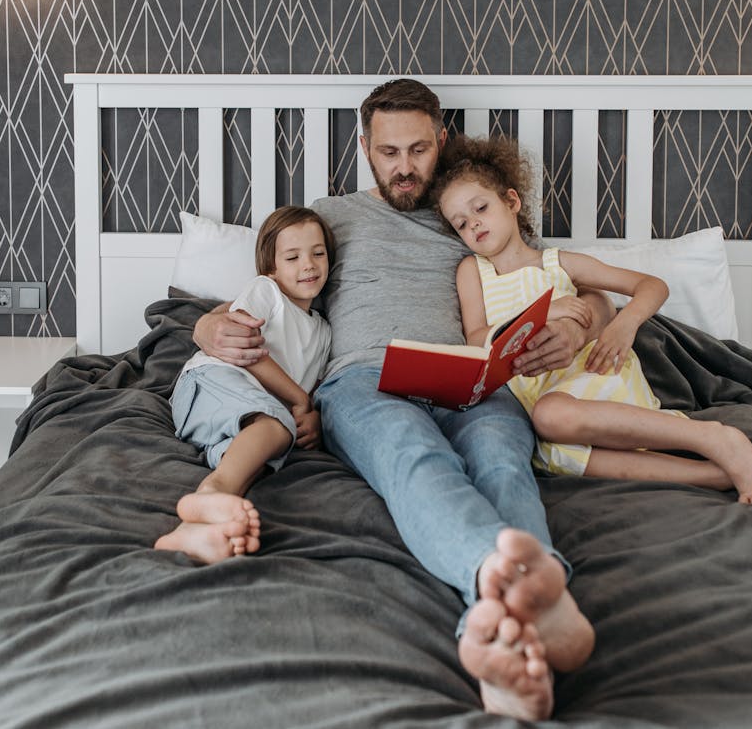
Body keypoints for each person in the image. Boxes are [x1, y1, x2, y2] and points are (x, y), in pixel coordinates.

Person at [193, 79, 604, 721]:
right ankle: (531, 599)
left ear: (442, 140)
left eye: (418, 149)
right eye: (389, 152)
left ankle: (499, 633)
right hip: (365, 377)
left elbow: (568, 277)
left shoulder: (469, 211)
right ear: (365, 148)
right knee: (415, 458)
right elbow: (266, 283)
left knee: (500, 460)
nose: (405, 166)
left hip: (469, 377)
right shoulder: (332, 215)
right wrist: (204, 325)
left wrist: (584, 322)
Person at [433, 135, 752, 504]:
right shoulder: (473, 270)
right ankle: (723, 472)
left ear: (511, 201)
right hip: (541, 402)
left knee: (552, 416)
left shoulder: (559, 264)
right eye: (461, 223)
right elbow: (476, 339)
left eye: (480, 208)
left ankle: (710, 437)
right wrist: (541, 314)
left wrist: (623, 324)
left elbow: (651, 285)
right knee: (560, 452)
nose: (474, 225)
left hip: (591, 375)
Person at [155, 206, 334, 564]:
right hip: (211, 382)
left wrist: (311, 414)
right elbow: (248, 351)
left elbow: (311, 388)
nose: (309, 265)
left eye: (318, 253)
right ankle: (212, 493)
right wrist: (298, 400)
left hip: (242, 415)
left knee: (263, 455)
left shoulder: (323, 331)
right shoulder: (266, 292)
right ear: (271, 267)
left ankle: (195, 529)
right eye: (293, 257)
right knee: (274, 425)